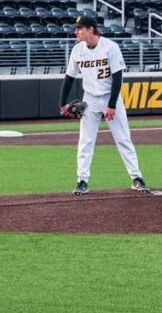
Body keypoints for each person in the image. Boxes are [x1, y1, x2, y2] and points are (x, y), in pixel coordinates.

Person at [59, 15, 149, 195]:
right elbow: (69, 78)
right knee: (86, 140)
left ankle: (136, 177)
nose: (76, 32)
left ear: (91, 29)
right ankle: (82, 180)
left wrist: (112, 105)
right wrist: (62, 103)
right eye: (76, 29)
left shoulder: (110, 47)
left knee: (123, 138)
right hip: (90, 99)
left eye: (80, 28)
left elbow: (118, 78)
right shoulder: (77, 50)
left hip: (110, 97)